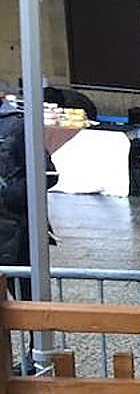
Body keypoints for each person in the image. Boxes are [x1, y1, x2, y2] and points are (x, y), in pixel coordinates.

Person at [0, 93, 58, 375]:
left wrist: (6, 195)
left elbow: (48, 175)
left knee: (28, 298)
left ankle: (38, 356)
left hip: (17, 230)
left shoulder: (17, 126)